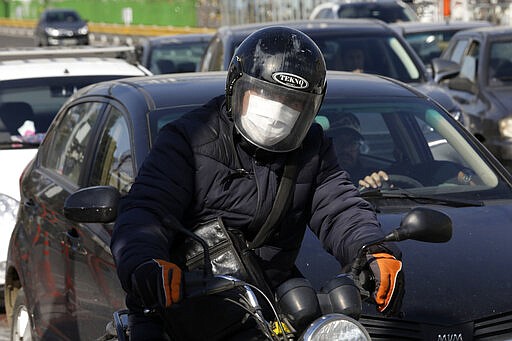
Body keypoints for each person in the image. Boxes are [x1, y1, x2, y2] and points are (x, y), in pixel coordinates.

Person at [110, 26, 404, 340]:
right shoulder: (187, 140)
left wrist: (372, 249)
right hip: (180, 306)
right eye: (265, 94)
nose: (276, 110)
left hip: (267, 310)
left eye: (291, 103)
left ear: (309, 109)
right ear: (236, 88)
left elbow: (339, 206)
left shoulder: (311, 148)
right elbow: (146, 210)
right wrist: (146, 261)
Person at [333, 112, 390, 189]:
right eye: (339, 142)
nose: (346, 149)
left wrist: (381, 186)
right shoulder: (317, 178)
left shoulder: (372, 176)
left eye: (352, 143)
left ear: (359, 147)